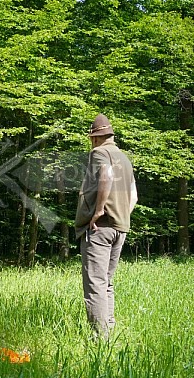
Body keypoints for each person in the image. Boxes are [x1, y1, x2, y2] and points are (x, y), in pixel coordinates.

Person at [75, 114, 138, 339]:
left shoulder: (99, 153)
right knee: (107, 282)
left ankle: (100, 338)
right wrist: (121, 215)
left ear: (94, 138)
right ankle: (109, 328)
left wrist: (100, 210)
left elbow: (107, 175)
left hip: (99, 228)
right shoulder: (124, 158)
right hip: (120, 227)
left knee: (95, 284)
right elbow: (134, 196)